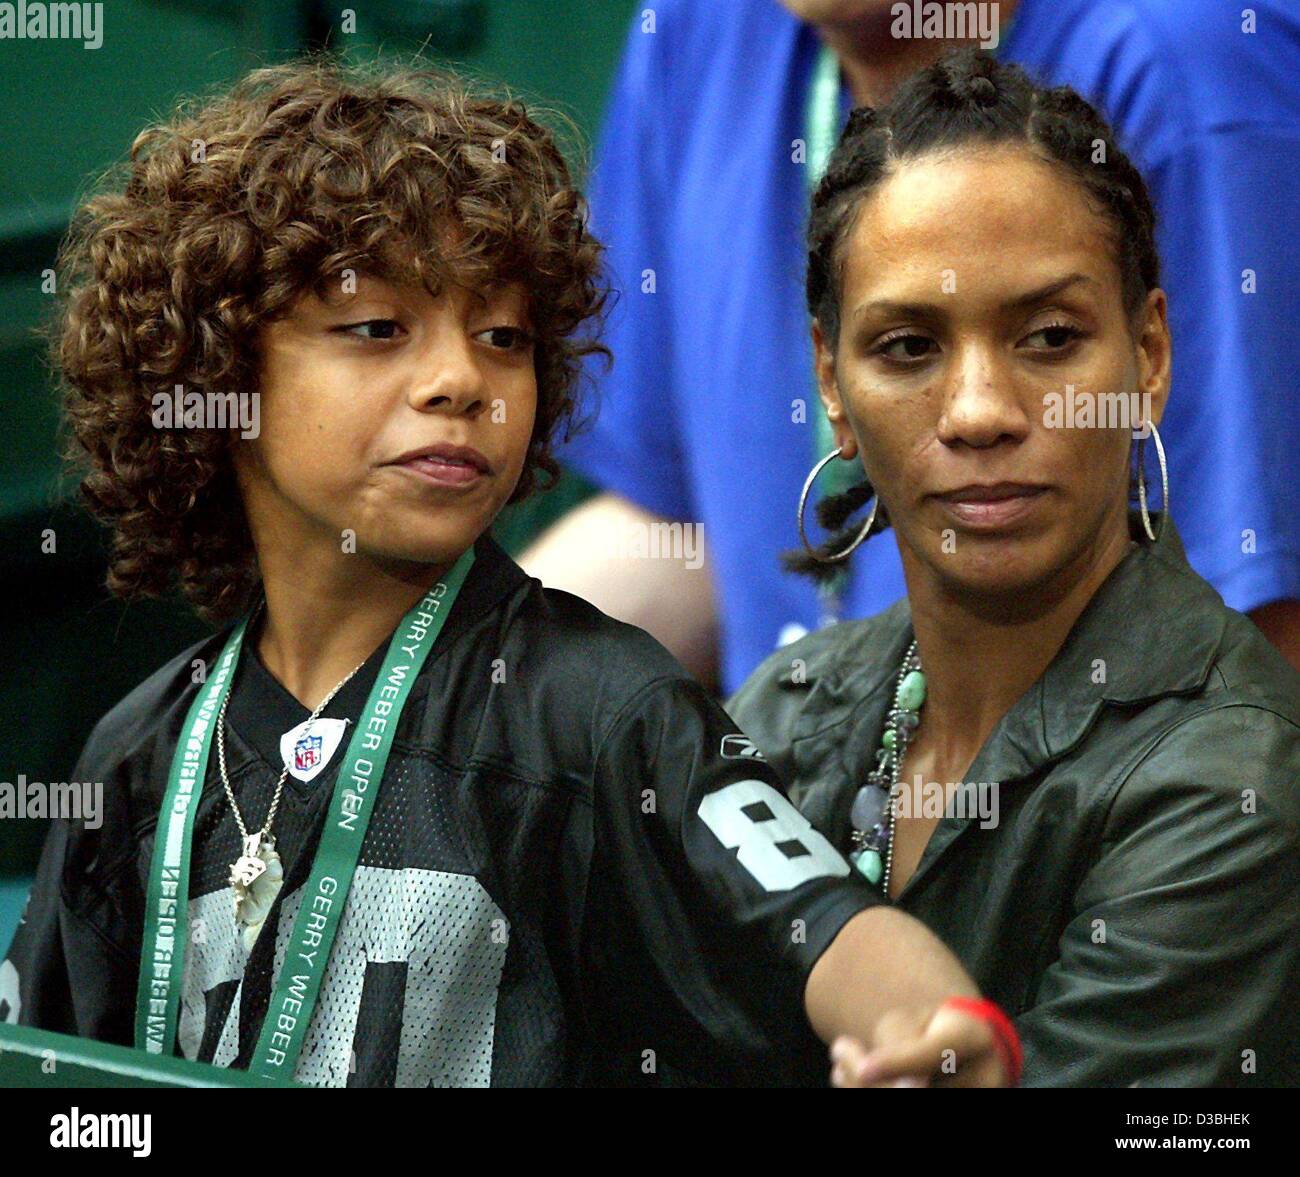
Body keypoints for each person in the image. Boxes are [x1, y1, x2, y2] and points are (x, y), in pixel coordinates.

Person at [0, 56, 1015, 1088]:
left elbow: (829, 929)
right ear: (220, 372)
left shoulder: (606, 710)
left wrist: (934, 1021)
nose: (459, 381)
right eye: (378, 329)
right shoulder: (136, 755)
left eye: (503, 337)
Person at [727, 49, 1300, 1087]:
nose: (982, 411)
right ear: (833, 385)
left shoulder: (1233, 786)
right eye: (907, 346)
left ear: (1149, 358)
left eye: (1047, 337)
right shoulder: (780, 714)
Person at [525, 0, 1300, 693]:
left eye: (1050, 337)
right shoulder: (701, 28)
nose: (975, 413)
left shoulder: (1190, 60)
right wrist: (439, 691)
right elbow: (679, 536)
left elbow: (1263, 643)